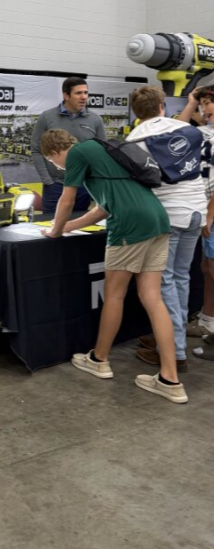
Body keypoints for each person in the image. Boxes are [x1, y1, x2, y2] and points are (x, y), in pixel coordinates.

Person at [40, 128, 187, 404]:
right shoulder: (99, 151)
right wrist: (67, 226)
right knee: (153, 299)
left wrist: (55, 231)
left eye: (52, 162)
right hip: (156, 219)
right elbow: (102, 209)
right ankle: (170, 379)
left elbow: (67, 198)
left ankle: (99, 359)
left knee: (114, 295)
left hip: (129, 227)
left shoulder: (77, 155)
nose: (57, 166)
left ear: (55, 152)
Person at [126, 86, 208, 372]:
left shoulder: (135, 138)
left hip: (168, 216)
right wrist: (190, 102)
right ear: (162, 105)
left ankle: (172, 351)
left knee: (165, 283)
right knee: (182, 279)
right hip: (198, 210)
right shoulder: (185, 128)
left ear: (136, 112)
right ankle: (173, 340)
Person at [31, 77, 106, 213]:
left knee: (80, 229)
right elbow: (36, 150)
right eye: (78, 93)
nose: (84, 97)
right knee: (50, 227)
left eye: (86, 93)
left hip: (83, 186)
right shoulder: (47, 117)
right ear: (66, 95)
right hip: (55, 186)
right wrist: (48, 181)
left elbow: (102, 152)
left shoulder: (95, 119)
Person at [178, 87, 214, 344]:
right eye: (203, 104)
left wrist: (210, 215)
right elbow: (172, 132)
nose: (206, 108)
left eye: (210, 103)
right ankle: (208, 319)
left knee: (212, 268)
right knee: (205, 267)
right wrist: (191, 103)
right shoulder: (201, 132)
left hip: (211, 210)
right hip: (202, 206)